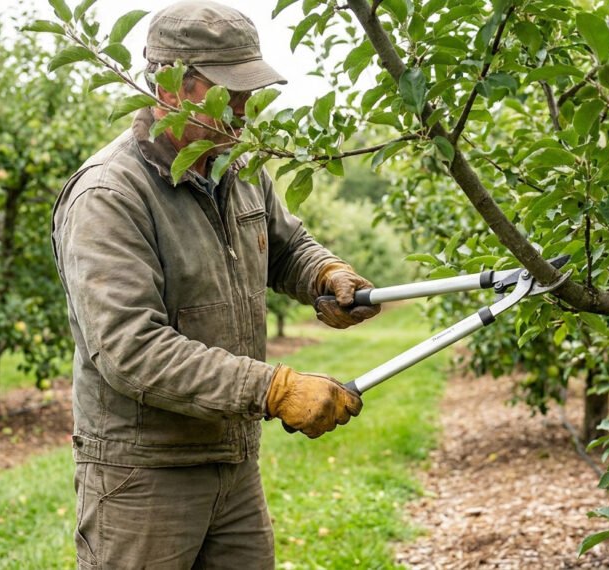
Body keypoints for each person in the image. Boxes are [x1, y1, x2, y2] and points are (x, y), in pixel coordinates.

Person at [50, 1, 381, 567]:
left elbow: (287, 247)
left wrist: (326, 273)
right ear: (170, 86)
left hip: (231, 461)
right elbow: (130, 349)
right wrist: (272, 389)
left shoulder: (237, 167)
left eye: (249, 89)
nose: (246, 106)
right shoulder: (110, 196)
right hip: (144, 474)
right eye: (229, 91)